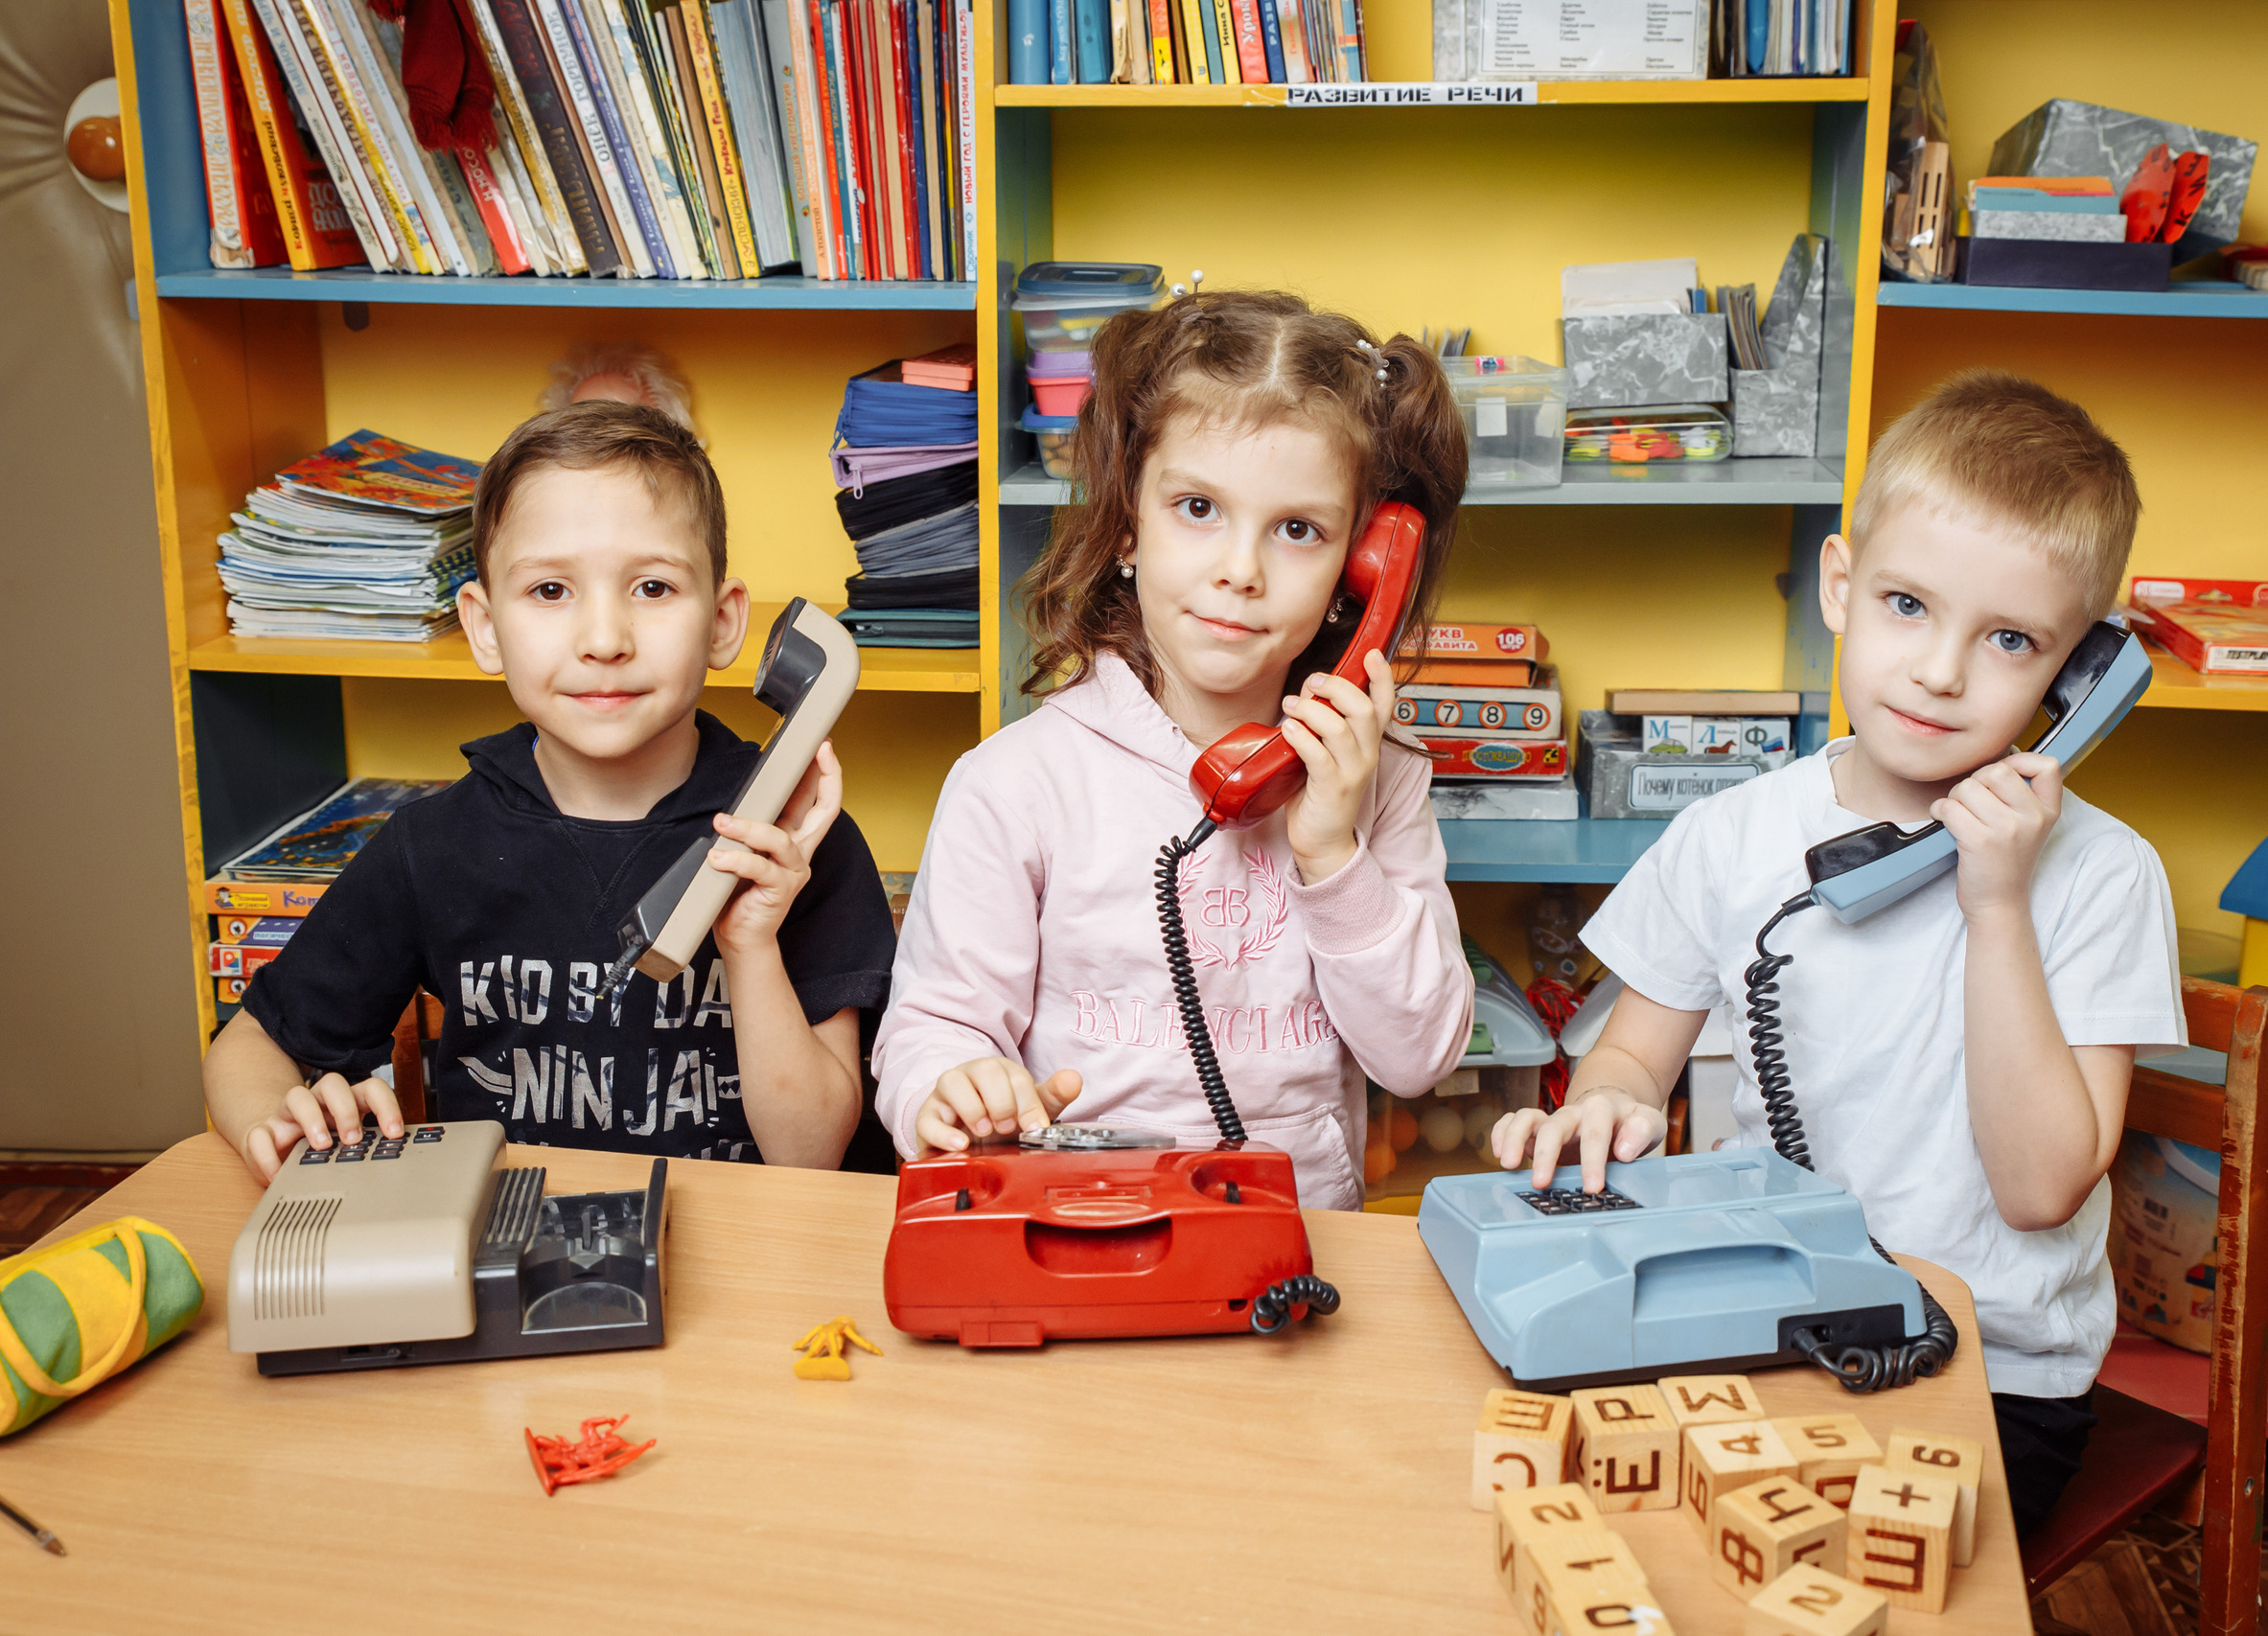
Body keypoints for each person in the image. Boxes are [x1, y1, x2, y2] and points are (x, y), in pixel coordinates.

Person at [1493, 370, 2185, 1537]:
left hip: (1995, 1370)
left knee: (1833, 1567)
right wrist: (1598, 1108)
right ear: (1841, 586)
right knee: (1615, 1522)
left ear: (2077, 679)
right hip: (1764, 1316)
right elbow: (1628, 1063)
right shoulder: (1732, 835)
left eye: (2009, 639)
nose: (1940, 671)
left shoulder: (2101, 876)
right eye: (1908, 606)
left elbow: (2037, 1187)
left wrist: (1997, 903)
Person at [871, 290, 1477, 1209]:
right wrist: (948, 1084)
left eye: (1298, 529)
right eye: (1198, 506)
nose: (1241, 568)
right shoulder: (1017, 783)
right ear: (1126, 522)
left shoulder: (1379, 780)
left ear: (1363, 567)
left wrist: (1331, 852)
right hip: (1078, 1229)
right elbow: (931, 1025)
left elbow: (1420, 1057)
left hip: (1299, 1245)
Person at [206, 401, 897, 1182]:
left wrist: (749, 942)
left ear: (723, 620)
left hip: (743, 1261)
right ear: (485, 626)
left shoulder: (798, 840)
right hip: (507, 1261)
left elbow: (812, 1151)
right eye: (549, 592)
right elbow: (248, 1048)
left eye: (653, 587)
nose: (605, 640)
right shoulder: (430, 847)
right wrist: (276, 1117)